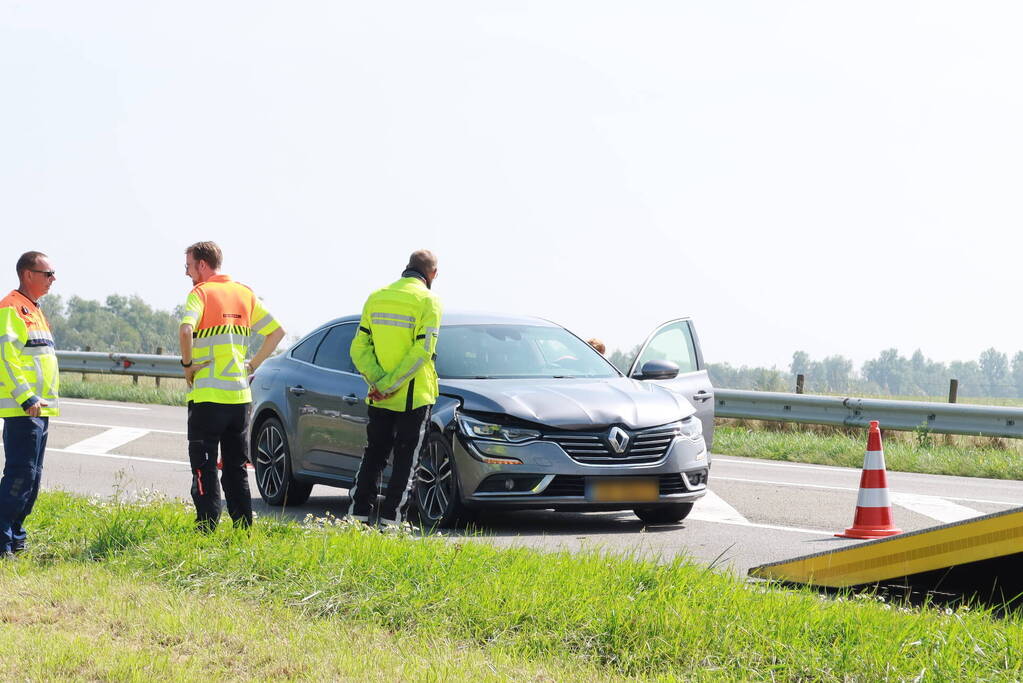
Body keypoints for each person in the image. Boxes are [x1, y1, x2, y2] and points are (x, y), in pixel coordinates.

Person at [179, 241, 284, 532]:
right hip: (239, 397)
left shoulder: (200, 293)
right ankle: (242, 528)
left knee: (205, 467)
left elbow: (186, 329)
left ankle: (206, 529)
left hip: (207, 398)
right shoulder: (244, 294)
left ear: (202, 264)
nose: (186, 273)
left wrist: (187, 365)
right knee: (236, 467)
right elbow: (277, 332)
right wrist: (252, 365)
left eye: (188, 266)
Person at [348, 249, 442, 529]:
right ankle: (391, 522)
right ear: (432, 274)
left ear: (407, 268)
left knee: (373, 456)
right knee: (406, 462)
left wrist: (378, 382)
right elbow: (423, 351)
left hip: (379, 397)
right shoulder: (430, 300)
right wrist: (391, 384)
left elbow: (359, 347)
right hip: (413, 397)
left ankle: (357, 518)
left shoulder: (377, 297)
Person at [0, 251, 59, 557]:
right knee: (20, 476)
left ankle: (16, 538)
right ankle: (3, 542)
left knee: (32, 479)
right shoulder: (12, 307)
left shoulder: (33, 309)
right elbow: (5, 358)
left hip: (40, 409)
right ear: (27, 274)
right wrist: (26, 397)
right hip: (24, 409)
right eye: (48, 273)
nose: (53, 279)